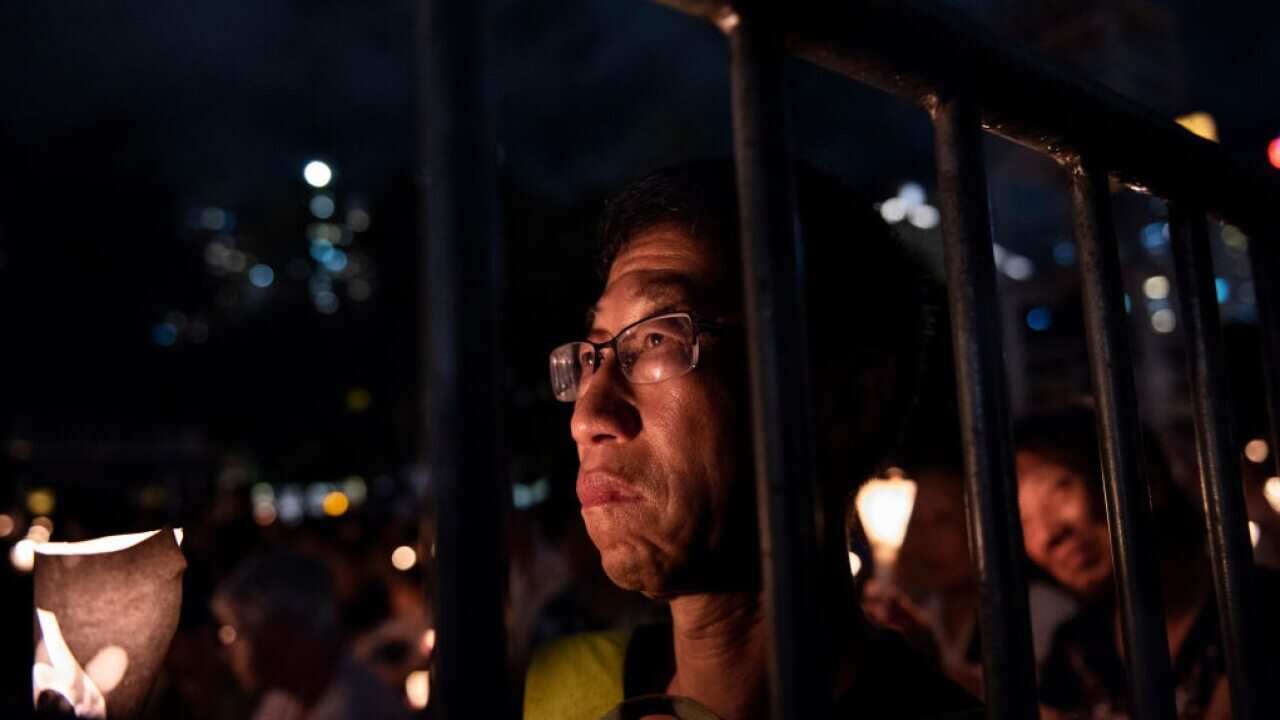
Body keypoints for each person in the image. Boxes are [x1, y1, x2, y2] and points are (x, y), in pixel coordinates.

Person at [525, 160, 982, 719]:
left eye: (657, 338)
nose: (587, 417)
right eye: (593, 355)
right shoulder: (547, 692)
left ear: (845, 401)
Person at [1014, 406, 1280, 719]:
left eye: (1060, 487)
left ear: (1144, 479)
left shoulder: (1258, 607)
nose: (1048, 534)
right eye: (1023, 521)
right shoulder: (1077, 644)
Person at [211, 551, 413, 720]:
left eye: (233, 632)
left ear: (283, 632)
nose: (225, 649)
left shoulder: (355, 708)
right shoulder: (289, 697)